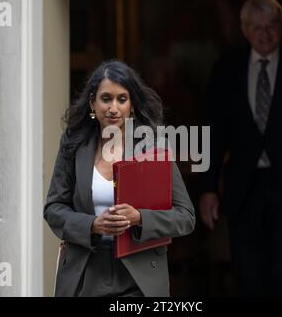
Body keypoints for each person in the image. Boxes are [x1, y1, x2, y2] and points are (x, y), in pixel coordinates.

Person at [44, 60, 195, 297]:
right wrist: (92, 225)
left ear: (132, 105)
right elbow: (54, 208)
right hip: (85, 272)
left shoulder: (153, 147)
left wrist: (140, 218)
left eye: (121, 99)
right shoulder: (73, 144)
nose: (113, 108)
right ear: (93, 102)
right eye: (106, 99)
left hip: (138, 277)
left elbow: (185, 217)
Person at [199, 0, 282, 296]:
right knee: (249, 277)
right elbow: (211, 133)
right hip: (244, 190)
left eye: (271, 26)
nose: (264, 34)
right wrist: (208, 188)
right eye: (256, 27)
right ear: (243, 30)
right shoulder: (227, 69)